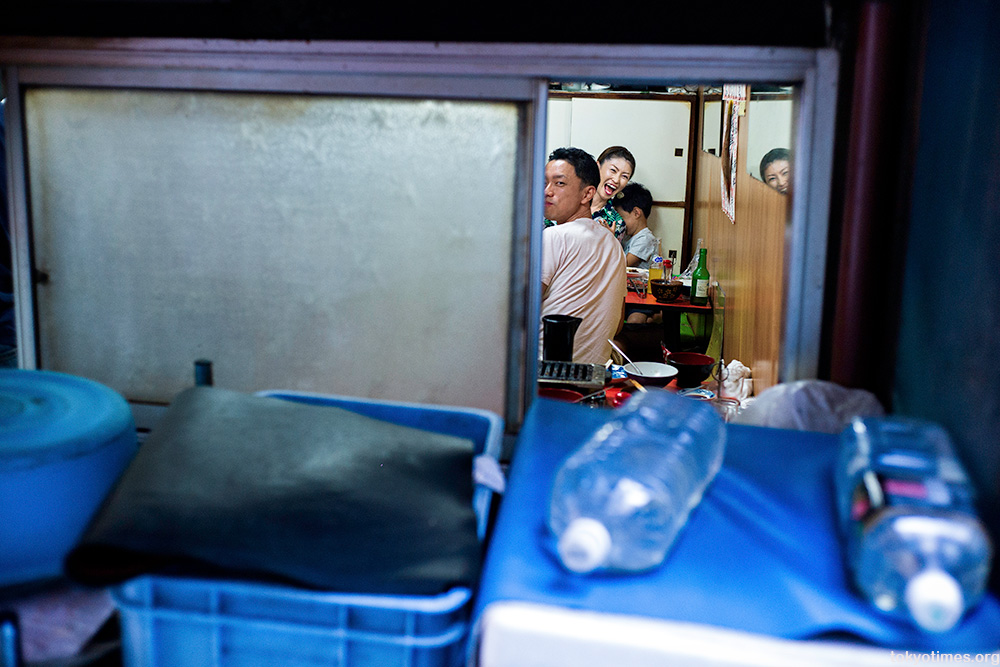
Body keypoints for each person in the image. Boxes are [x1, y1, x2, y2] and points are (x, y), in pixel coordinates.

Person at [541, 147, 626, 365]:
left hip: (544, 371)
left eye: (559, 183)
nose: (547, 191)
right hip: (593, 376)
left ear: (587, 194)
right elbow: (618, 325)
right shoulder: (615, 245)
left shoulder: (554, 237)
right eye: (545, 182)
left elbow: (518, 311)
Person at [590, 146, 635, 243]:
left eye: (624, 176)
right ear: (598, 166)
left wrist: (609, 241)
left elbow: (610, 257)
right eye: (613, 170)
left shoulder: (617, 223)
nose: (616, 180)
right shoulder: (573, 199)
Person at [614, 182, 659, 269]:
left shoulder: (645, 239)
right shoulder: (627, 237)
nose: (619, 223)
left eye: (622, 217)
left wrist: (611, 239)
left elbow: (622, 265)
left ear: (636, 213)